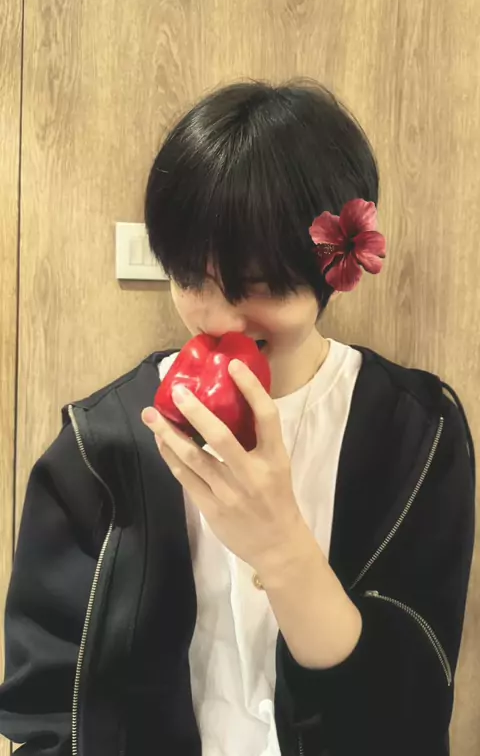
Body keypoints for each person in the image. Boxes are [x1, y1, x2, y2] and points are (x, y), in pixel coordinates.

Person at [0, 80, 475, 756]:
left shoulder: (417, 434)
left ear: (334, 269)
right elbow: (47, 709)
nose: (219, 319)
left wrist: (282, 549)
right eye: (192, 279)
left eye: (258, 285)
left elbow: (413, 709)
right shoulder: (98, 446)